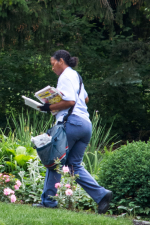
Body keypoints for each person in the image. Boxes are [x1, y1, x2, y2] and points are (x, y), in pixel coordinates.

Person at [33, 50, 112, 214]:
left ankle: (48, 201)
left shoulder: (64, 77)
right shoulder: (76, 76)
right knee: (73, 165)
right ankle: (101, 195)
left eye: (53, 63)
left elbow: (70, 101)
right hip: (85, 125)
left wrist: (48, 107)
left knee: (54, 160)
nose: (52, 67)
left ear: (61, 61)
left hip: (72, 123)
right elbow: (85, 99)